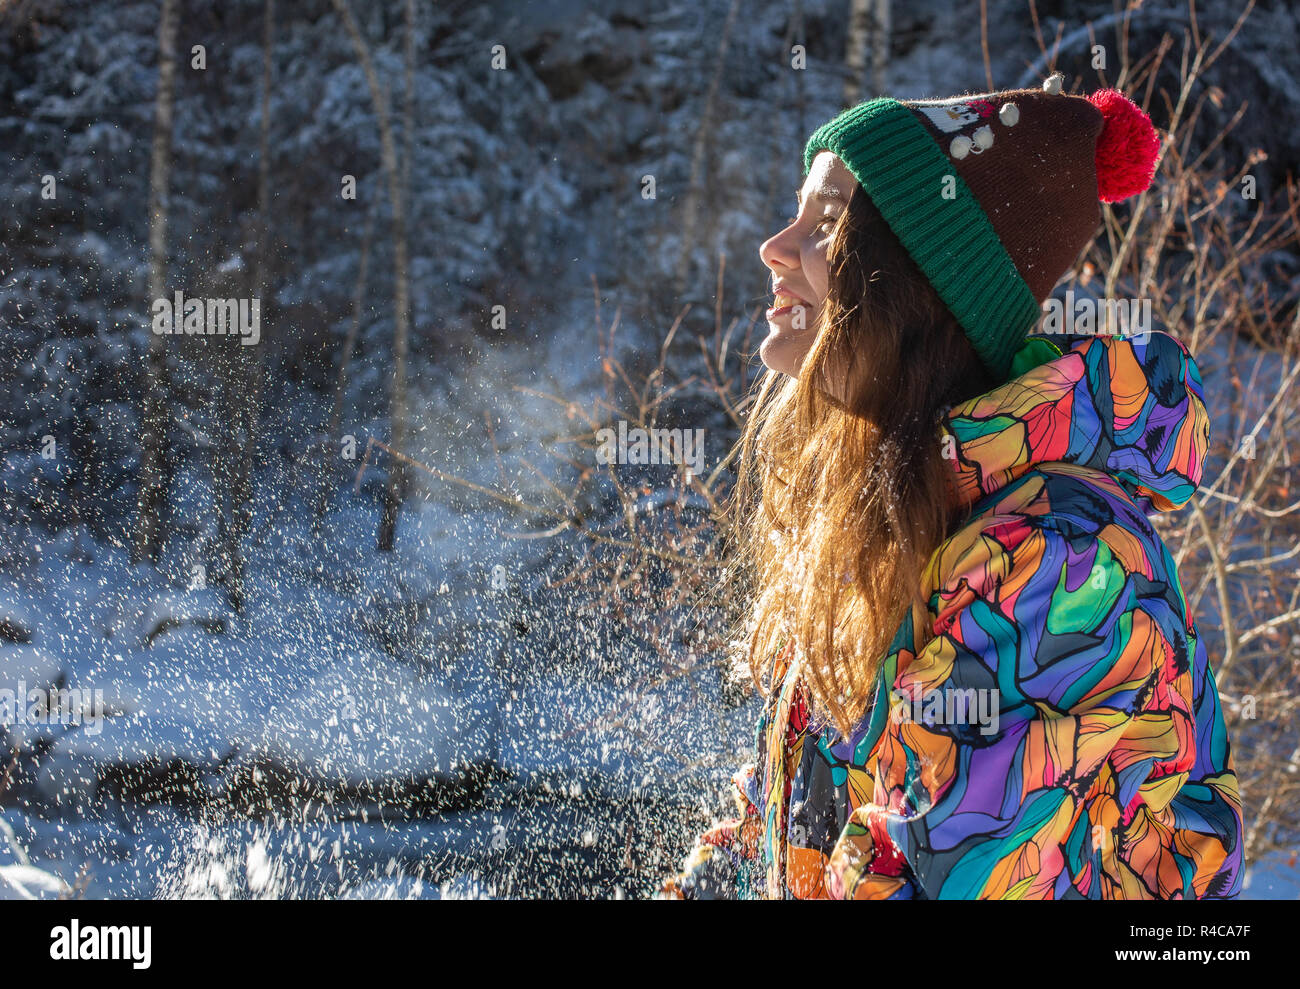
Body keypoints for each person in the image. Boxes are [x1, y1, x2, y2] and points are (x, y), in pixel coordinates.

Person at [657, 77, 1243, 899]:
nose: (777, 247)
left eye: (825, 224)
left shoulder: (1058, 561)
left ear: (918, 284)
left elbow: (930, 871)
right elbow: (792, 834)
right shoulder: (886, 521)